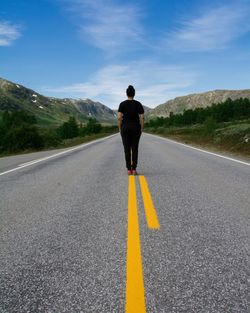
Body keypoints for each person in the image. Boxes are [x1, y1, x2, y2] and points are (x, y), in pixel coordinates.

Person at [118, 85, 144, 175]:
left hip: (125, 128)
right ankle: (134, 169)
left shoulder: (122, 104)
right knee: (135, 148)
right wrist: (142, 128)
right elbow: (142, 117)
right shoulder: (138, 104)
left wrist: (120, 128)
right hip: (136, 128)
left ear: (126, 93)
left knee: (127, 149)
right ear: (134, 94)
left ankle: (129, 169)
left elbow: (119, 118)